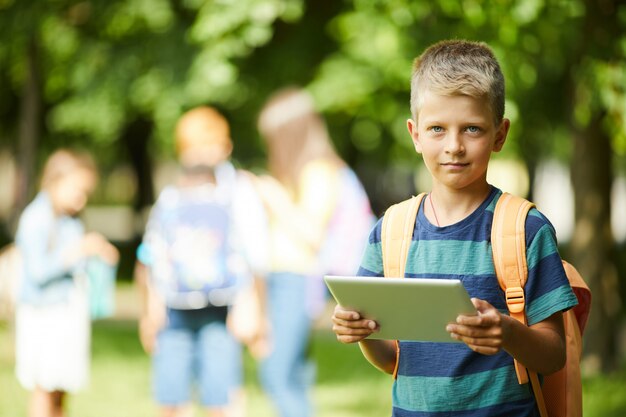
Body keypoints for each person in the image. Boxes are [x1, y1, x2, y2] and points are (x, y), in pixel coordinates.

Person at [331, 40, 580, 416]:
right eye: (436, 129)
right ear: (415, 134)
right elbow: (392, 360)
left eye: (472, 129)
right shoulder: (391, 231)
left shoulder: (524, 228)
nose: (454, 146)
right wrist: (363, 334)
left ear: (500, 134)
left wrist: (509, 334)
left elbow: (553, 355)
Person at [137, 106, 269, 417]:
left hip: (222, 309)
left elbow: (257, 255)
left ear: (226, 147)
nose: (199, 155)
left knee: (222, 395)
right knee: (171, 395)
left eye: (207, 146)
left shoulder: (239, 191)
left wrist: (255, 309)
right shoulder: (172, 197)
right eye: (192, 148)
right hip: (174, 311)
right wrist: (149, 307)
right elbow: (151, 255)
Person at [256, 87, 374, 417]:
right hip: (291, 281)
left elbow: (313, 234)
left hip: (296, 280)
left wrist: (273, 197)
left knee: (277, 375)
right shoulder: (313, 172)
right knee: (293, 374)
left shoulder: (320, 171)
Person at [14, 149, 119, 417]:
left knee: (62, 388)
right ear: (54, 181)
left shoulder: (70, 221)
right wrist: (75, 252)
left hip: (68, 311)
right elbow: (37, 272)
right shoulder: (35, 218)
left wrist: (97, 253)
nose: (81, 198)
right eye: (76, 190)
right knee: (44, 387)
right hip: (43, 314)